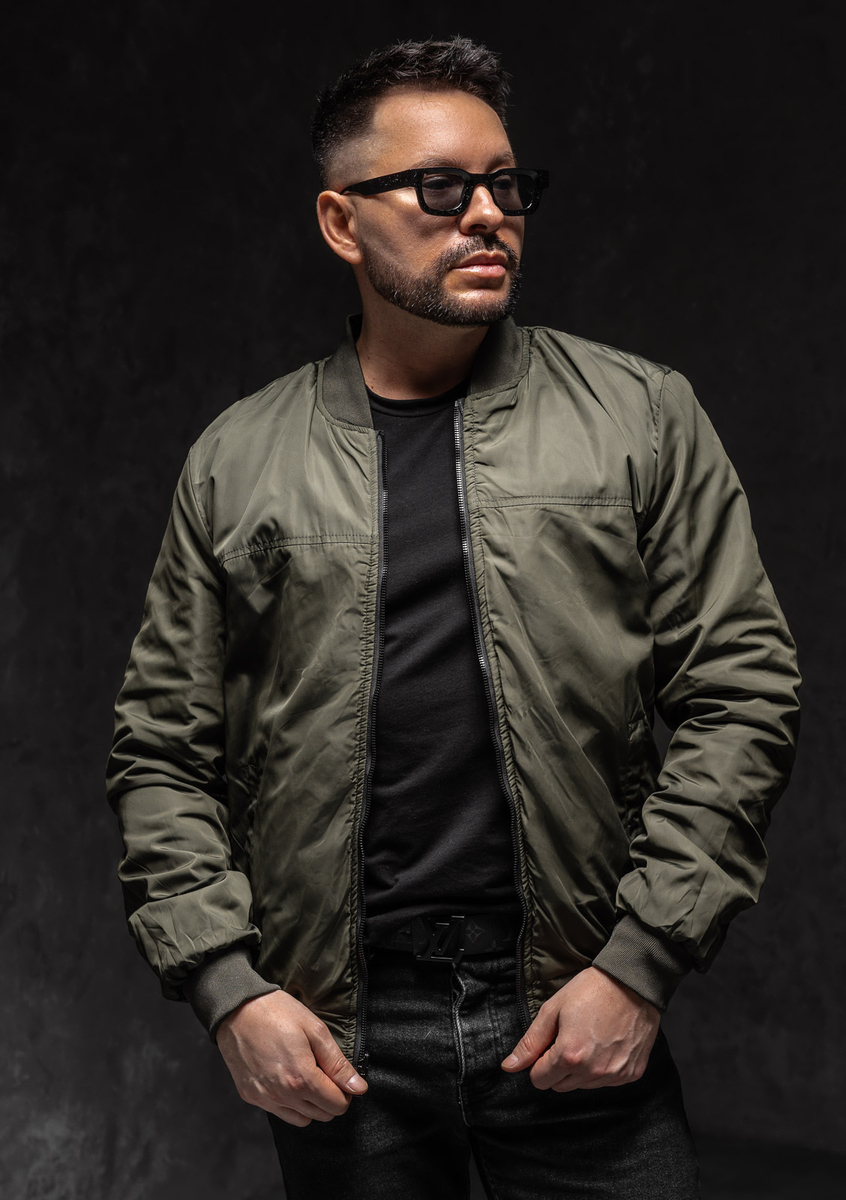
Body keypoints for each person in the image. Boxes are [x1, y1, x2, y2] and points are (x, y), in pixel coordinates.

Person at [107, 36, 801, 1200]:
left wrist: (640, 964)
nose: (488, 215)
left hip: (573, 1007)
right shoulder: (239, 458)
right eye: (440, 188)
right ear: (342, 222)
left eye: (506, 185)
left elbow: (743, 691)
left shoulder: (641, 416)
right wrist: (228, 990)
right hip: (342, 1037)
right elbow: (161, 754)